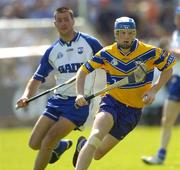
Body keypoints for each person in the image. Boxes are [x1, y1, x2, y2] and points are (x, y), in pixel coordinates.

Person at [73, 16, 176, 170]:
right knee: (95, 137)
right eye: (122, 33)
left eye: (130, 33)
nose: (126, 37)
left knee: (98, 153)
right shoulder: (107, 53)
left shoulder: (149, 52)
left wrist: (154, 89)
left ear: (135, 33)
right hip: (111, 103)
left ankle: (83, 146)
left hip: (133, 112)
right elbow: (83, 71)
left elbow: (168, 68)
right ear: (116, 34)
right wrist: (79, 94)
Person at [16, 7, 103, 170]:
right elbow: (37, 78)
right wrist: (26, 95)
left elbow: (108, 62)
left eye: (66, 19)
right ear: (54, 23)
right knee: (34, 143)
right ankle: (62, 146)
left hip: (79, 102)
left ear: (73, 21)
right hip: (57, 101)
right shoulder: (52, 51)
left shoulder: (90, 43)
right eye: (60, 20)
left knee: (48, 141)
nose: (63, 23)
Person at [141, 6, 180, 165]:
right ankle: (161, 154)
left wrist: (173, 52)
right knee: (167, 119)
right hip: (177, 80)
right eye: (177, 15)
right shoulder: (176, 33)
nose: (178, 19)